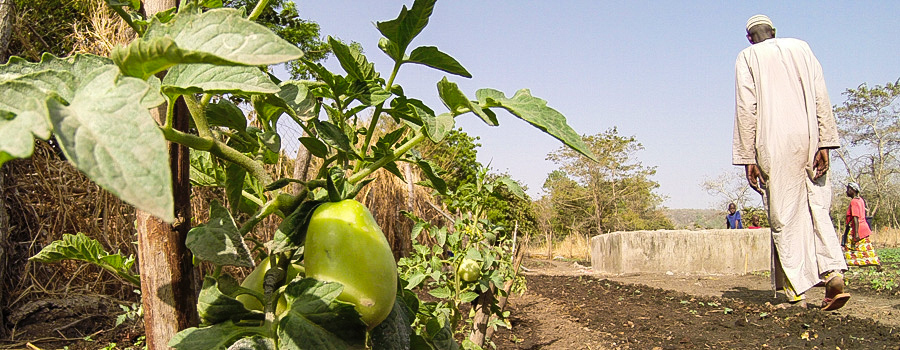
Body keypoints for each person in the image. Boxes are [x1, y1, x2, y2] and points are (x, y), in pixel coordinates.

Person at [732, 15, 849, 310]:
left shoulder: (747, 57)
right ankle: (833, 272)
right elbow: (821, 95)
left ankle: (796, 290)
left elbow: (747, 107)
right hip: (809, 136)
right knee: (817, 206)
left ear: (750, 38)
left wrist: (747, 157)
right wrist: (825, 141)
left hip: (773, 139)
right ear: (774, 32)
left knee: (783, 214)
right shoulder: (802, 47)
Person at [842, 182, 881, 268]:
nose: (847, 191)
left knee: (850, 247)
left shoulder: (854, 202)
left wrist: (856, 233)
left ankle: (848, 264)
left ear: (854, 190)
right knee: (866, 248)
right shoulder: (860, 200)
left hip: (857, 228)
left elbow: (855, 217)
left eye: (849, 189)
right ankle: (875, 263)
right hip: (863, 227)